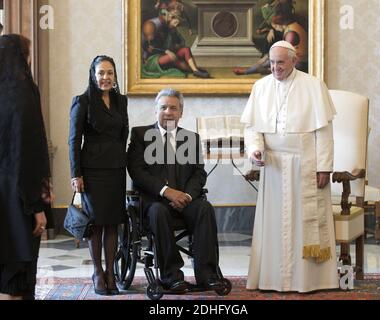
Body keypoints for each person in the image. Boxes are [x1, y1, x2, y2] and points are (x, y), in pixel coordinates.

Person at [241, 41, 339, 293]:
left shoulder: (313, 85)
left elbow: (324, 131)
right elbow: (253, 128)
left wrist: (324, 167)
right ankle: (273, 279)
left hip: (305, 165)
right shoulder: (260, 87)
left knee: (304, 224)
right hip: (273, 167)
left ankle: (310, 280)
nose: (275, 67)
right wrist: (255, 150)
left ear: (294, 60)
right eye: (271, 63)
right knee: (274, 225)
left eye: (280, 62)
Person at [127, 88, 221, 292]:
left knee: (205, 208)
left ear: (181, 113)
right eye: (163, 107)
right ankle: (172, 276)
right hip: (153, 203)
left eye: (173, 108)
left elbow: (199, 173)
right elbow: (137, 172)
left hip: (185, 201)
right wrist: (167, 191)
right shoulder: (140, 134)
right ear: (155, 111)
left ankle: (207, 275)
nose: (168, 112)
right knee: (159, 211)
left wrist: (186, 195)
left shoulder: (191, 138)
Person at [68, 55, 129, 296]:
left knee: (113, 222)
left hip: (115, 169)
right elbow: (74, 140)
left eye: (110, 73)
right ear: (93, 75)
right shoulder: (81, 101)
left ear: (115, 77)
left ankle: (111, 273)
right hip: (91, 172)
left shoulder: (121, 101)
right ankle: (97, 271)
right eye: (101, 73)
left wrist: (120, 158)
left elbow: (124, 132)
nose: (105, 77)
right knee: (95, 225)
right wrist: (76, 174)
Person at [0, 34, 53, 300]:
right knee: (17, 279)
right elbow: (30, 156)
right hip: (18, 201)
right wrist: (37, 208)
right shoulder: (25, 94)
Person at [142, 9, 210, 79]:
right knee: (172, 57)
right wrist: (166, 51)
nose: (176, 25)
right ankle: (193, 70)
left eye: (178, 24)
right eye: (175, 22)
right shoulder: (161, 29)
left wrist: (177, 46)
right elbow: (148, 46)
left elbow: (181, 42)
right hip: (155, 58)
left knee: (186, 49)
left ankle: (195, 70)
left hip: (168, 54)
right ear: (171, 19)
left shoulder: (173, 31)